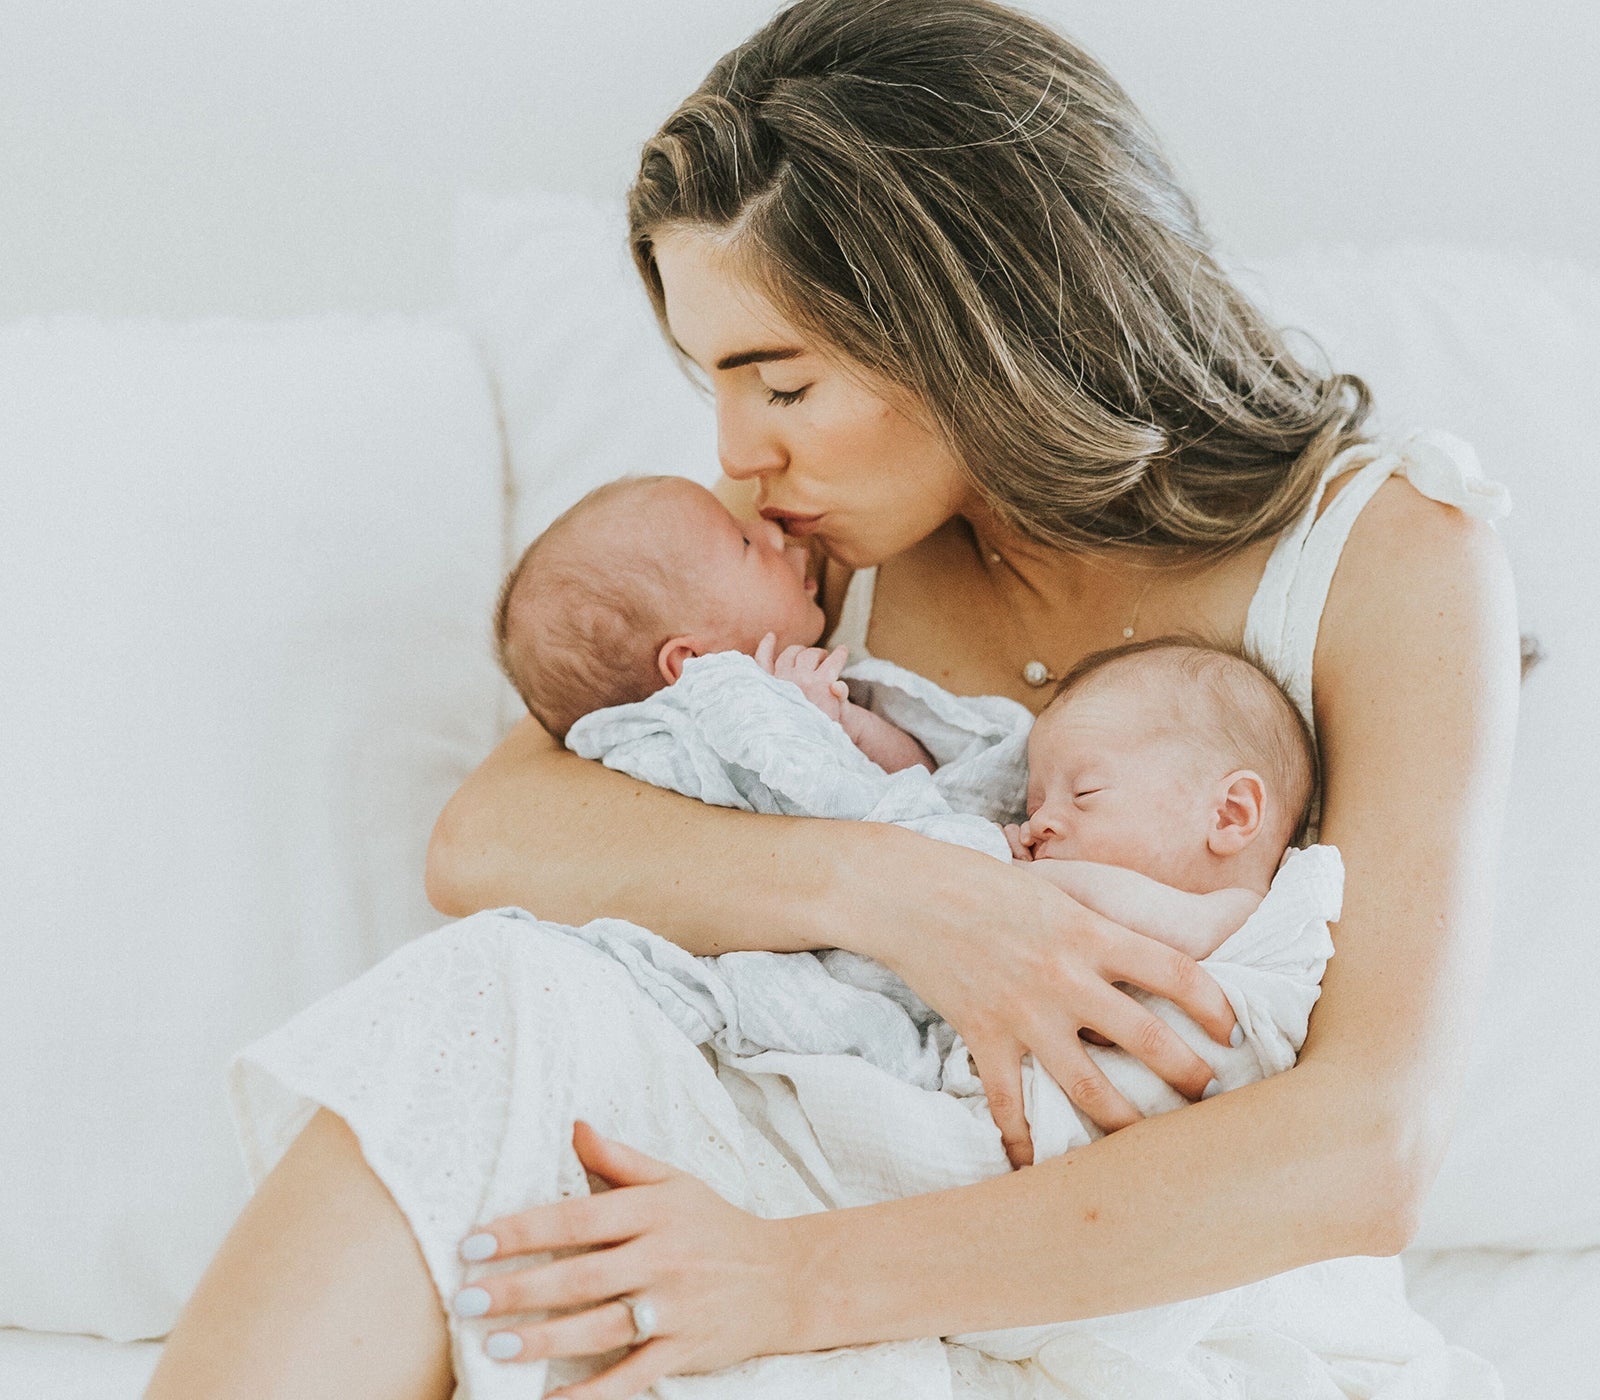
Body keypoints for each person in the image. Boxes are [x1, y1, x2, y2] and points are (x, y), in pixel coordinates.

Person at [146, 1, 1519, 1397]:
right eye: (717, 384)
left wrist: (784, 1284)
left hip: (1163, 1283)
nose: (739, 459)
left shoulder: (1397, 550)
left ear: (977, 323)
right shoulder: (815, 568)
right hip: (811, 1154)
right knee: (496, 995)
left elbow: (1371, 1148)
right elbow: (492, 834)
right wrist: (907, 898)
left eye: (781, 382)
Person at [495, 472, 934, 771]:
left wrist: (846, 722)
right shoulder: (697, 759)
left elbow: (936, 789)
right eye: (745, 542)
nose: (774, 532)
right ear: (688, 661)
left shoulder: (809, 690)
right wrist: (832, 727)